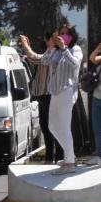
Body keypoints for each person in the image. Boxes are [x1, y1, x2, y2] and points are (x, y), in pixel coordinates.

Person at [27, 24, 83, 174]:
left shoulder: (75, 49)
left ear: (72, 36)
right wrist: (51, 47)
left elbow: (75, 64)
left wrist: (64, 48)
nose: (63, 36)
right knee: (52, 126)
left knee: (64, 126)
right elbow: (44, 61)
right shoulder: (55, 51)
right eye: (61, 34)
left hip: (66, 90)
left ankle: (69, 162)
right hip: (55, 92)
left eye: (66, 34)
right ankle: (70, 155)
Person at [20, 31, 64, 163]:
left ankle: (59, 157)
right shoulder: (49, 53)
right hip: (43, 95)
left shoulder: (55, 54)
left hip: (49, 95)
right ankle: (51, 157)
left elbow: (33, 57)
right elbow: (34, 59)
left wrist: (24, 45)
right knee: (45, 127)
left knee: (53, 127)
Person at [87, 41, 101, 167]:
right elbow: (92, 58)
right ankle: (100, 155)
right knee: (98, 129)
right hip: (97, 98)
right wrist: (98, 48)